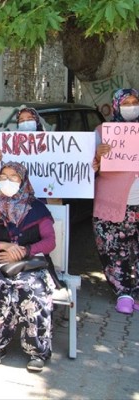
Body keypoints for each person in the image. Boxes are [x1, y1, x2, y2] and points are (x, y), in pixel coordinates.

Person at [0, 162, 56, 372]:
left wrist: (24, 250)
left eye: (13, 177)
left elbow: (49, 242)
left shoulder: (37, 208)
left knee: (34, 291)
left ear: (23, 180)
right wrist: (3, 246)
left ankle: (37, 351)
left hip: (29, 264)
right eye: (3, 177)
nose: (7, 181)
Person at [92, 88, 139, 315]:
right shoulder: (102, 132)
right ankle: (123, 292)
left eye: (134, 101)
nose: (131, 106)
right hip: (111, 204)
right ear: (116, 106)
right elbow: (87, 169)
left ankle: (137, 291)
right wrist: (98, 155)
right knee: (114, 251)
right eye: (126, 102)